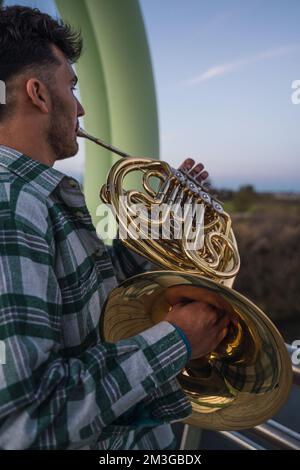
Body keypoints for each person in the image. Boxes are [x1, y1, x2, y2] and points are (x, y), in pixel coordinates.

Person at [0, 6, 230, 450]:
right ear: (38, 94)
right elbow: (25, 425)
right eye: (71, 85)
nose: (80, 106)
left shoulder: (37, 196)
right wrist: (178, 338)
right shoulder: (12, 204)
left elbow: (98, 295)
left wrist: (162, 219)